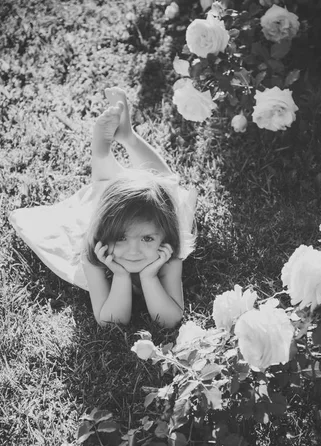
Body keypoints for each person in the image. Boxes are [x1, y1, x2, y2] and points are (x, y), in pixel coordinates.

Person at [9, 87, 196, 328]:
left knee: (165, 187)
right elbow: (110, 321)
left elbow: (170, 320)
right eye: (121, 238)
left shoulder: (168, 256)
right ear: (105, 237)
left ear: (164, 238)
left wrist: (149, 277)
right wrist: (119, 275)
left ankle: (127, 137)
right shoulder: (94, 257)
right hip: (106, 214)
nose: (134, 251)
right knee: (105, 188)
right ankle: (101, 154)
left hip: (135, 215)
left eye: (148, 239)